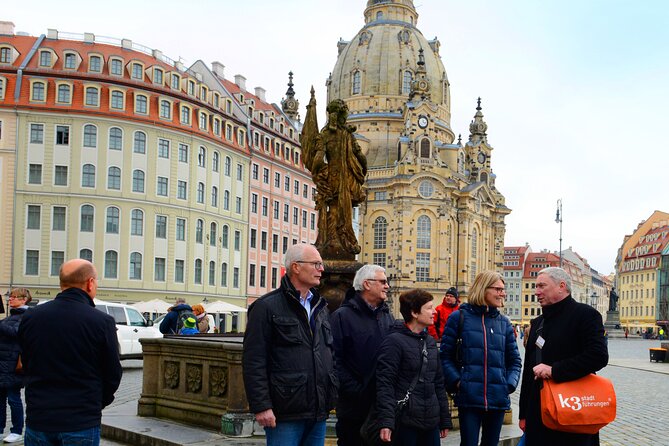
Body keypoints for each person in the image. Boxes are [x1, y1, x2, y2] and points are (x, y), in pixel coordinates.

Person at [18, 259, 122, 446]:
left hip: (39, 417)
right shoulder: (102, 321)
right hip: (81, 419)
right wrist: (96, 403)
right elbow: (113, 373)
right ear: (90, 282)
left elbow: (26, 362)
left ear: (61, 283)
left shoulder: (31, 317)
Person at [242, 243, 336, 446]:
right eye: (316, 264)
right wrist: (262, 406)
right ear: (296, 267)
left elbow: (328, 352)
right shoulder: (266, 307)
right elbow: (254, 360)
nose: (321, 269)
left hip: (318, 411)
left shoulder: (320, 307)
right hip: (285, 412)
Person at [518, 267, 608, 446]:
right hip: (540, 412)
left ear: (561, 286)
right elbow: (528, 372)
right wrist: (523, 414)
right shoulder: (538, 323)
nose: (537, 292)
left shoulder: (586, 315)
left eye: (542, 286)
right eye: (536, 286)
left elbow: (598, 356)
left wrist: (554, 370)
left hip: (574, 408)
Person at [440, 271, 521, 446]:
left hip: (498, 397)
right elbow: (445, 357)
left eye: (503, 289)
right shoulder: (459, 318)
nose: (503, 293)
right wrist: (459, 382)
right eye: (498, 289)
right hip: (469, 398)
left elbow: (515, 361)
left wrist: (508, 385)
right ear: (483, 288)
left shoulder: (504, 322)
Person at [375, 289, 451, 445]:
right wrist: (387, 421)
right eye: (429, 308)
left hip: (430, 421)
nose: (434, 312)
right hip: (405, 421)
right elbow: (385, 384)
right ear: (415, 313)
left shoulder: (430, 342)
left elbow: (438, 383)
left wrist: (444, 419)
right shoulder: (394, 342)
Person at [330, 264, 395, 445]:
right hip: (353, 408)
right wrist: (356, 389)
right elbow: (333, 360)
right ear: (367, 284)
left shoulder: (386, 315)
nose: (387, 286)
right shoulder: (342, 316)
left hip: (380, 406)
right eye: (382, 281)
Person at [302, 94, 367, 259]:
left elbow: (318, 158)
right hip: (345, 180)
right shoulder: (347, 134)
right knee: (341, 210)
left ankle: (330, 240)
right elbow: (360, 155)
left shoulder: (325, 134)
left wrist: (317, 172)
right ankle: (340, 241)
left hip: (331, 178)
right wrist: (363, 170)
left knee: (332, 210)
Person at [0, 288, 32, 443]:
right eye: (10, 297)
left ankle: (17, 430)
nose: (10, 299)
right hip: (2, 363)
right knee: (0, 400)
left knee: (14, 399)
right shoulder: (9, 317)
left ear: (24, 299)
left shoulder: (27, 317)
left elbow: (17, 333)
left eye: (13, 297)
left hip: (14, 365)